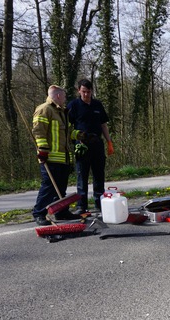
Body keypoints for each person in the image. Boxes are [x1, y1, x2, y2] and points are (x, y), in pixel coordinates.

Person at [32, 85, 85, 226]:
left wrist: (80, 135)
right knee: (48, 187)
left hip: (63, 157)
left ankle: (61, 212)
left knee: (61, 187)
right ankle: (39, 213)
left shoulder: (62, 112)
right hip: (50, 157)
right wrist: (42, 150)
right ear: (58, 96)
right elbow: (38, 131)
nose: (66, 99)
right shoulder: (44, 109)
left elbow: (66, 134)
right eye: (65, 96)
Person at [67, 78, 113, 214]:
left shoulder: (97, 105)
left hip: (97, 144)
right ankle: (81, 205)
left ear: (92, 91)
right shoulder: (73, 106)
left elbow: (103, 124)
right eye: (83, 92)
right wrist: (76, 137)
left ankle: (100, 204)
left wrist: (109, 141)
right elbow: (67, 127)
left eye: (88, 92)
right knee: (82, 176)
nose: (86, 95)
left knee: (99, 175)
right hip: (82, 145)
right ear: (78, 91)